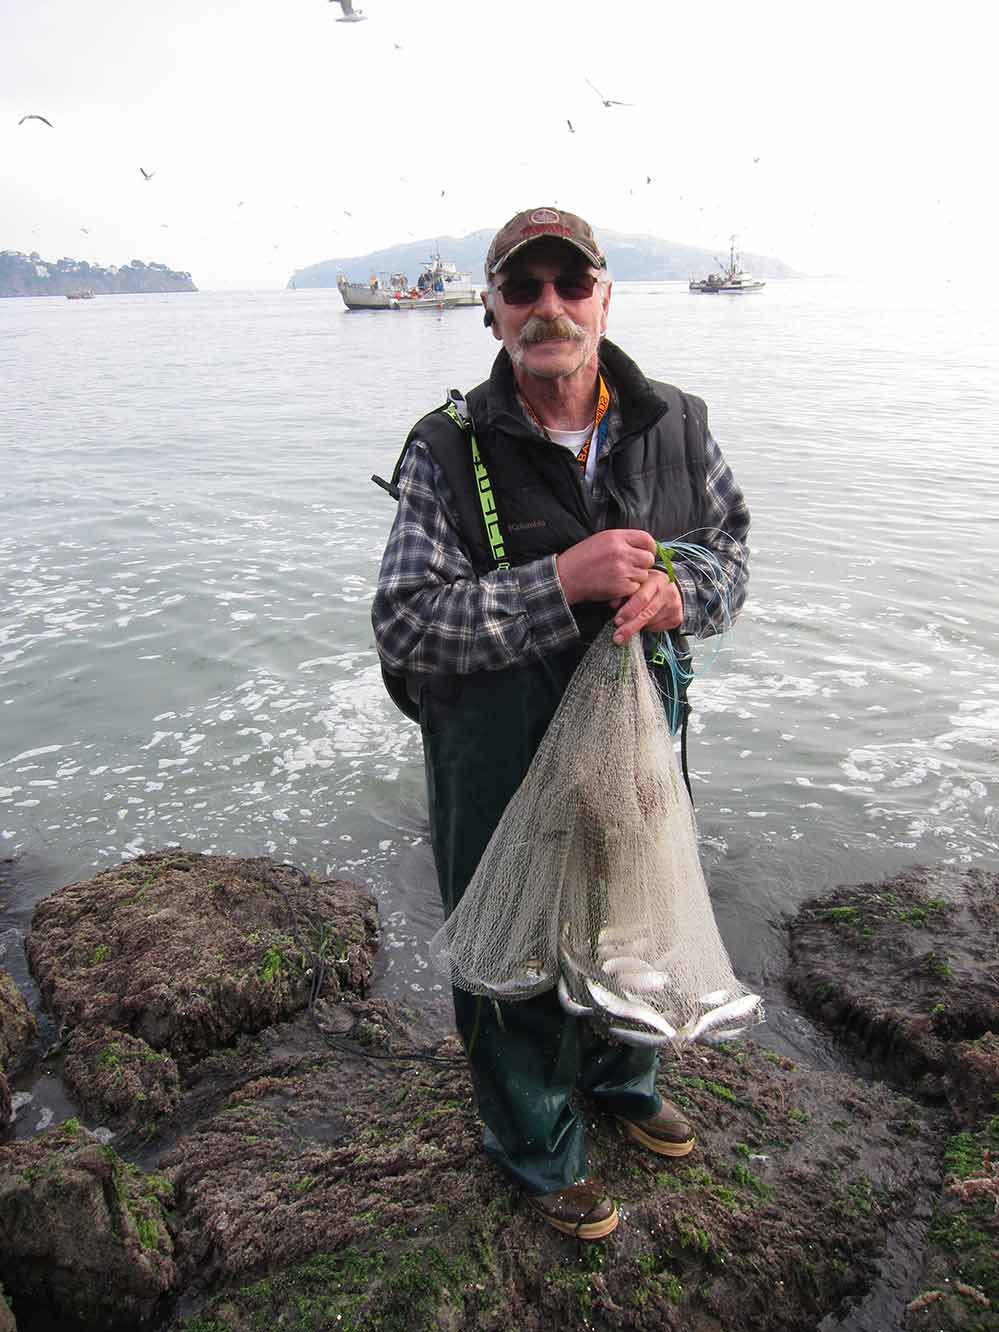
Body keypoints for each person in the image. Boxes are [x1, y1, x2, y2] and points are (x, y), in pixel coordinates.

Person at [371, 206, 750, 1241]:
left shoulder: (678, 423)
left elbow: (729, 554)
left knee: (635, 913)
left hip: (636, 728)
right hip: (495, 740)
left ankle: (623, 1081)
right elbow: (407, 621)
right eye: (523, 287)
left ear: (603, 300)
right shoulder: (444, 449)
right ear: (492, 310)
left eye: (570, 284)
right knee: (511, 940)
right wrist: (561, 582)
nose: (549, 306)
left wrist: (679, 593)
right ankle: (535, 1144)